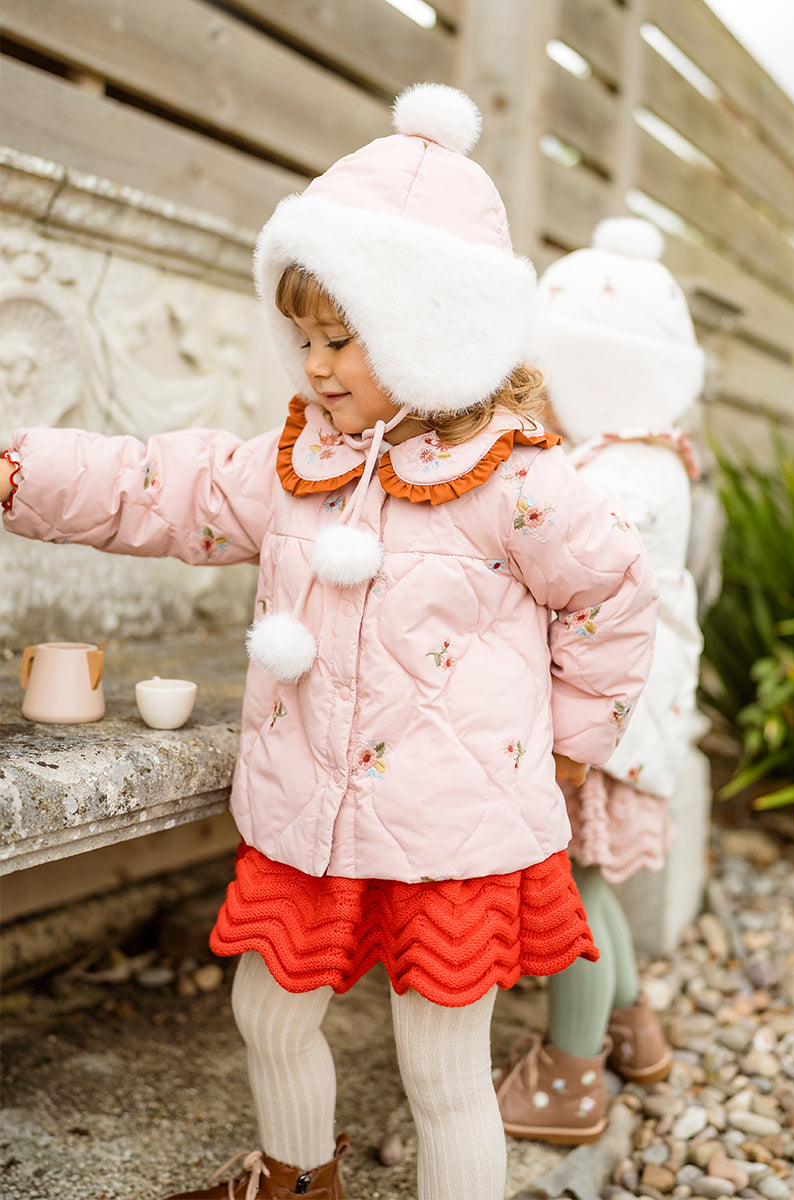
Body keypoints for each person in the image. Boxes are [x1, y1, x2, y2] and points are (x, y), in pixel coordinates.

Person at [0, 88, 658, 1200]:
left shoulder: (520, 481)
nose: (312, 364)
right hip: (308, 816)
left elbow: (614, 598)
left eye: (341, 340)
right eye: (302, 337)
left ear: (431, 325)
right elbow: (158, 484)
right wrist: (21, 471)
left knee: (440, 1066)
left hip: (454, 831)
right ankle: (296, 1181)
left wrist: (571, 743)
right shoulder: (297, 463)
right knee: (268, 1011)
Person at [495, 217, 705, 1145]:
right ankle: (632, 1031)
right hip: (628, 716)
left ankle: (573, 1073)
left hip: (604, 724)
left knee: (566, 893)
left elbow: (560, 563)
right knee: (591, 883)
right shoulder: (648, 453)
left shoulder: (625, 477)